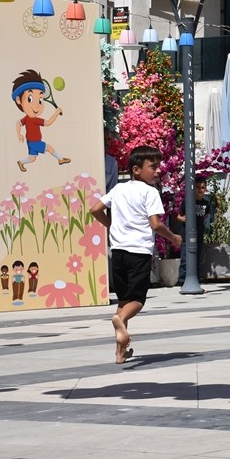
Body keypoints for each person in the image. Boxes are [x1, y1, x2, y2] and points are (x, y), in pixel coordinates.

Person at [89, 145, 182, 364]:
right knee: (138, 300)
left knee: (124, 300)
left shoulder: (119, 189)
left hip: (118, 252)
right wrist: (173, 238)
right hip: (138, 252)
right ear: (136, 170)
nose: (158, 170)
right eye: (153, 167)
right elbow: (156, 224)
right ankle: (119, 320)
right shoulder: (150, 192)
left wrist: (111, 226)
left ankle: (120, 353)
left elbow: (94, 209)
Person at [175, 176, 215, 287]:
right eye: (197, 187)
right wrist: (183, 219)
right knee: (185, 259)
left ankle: (195, 279)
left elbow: (206, 216)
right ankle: (182, 280)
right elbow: (179, 216)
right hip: (186, 234)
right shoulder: (187, 201)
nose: (200, 190)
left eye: (203, 187)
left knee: (197, 258)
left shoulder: (206, 204)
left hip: (199, 233)